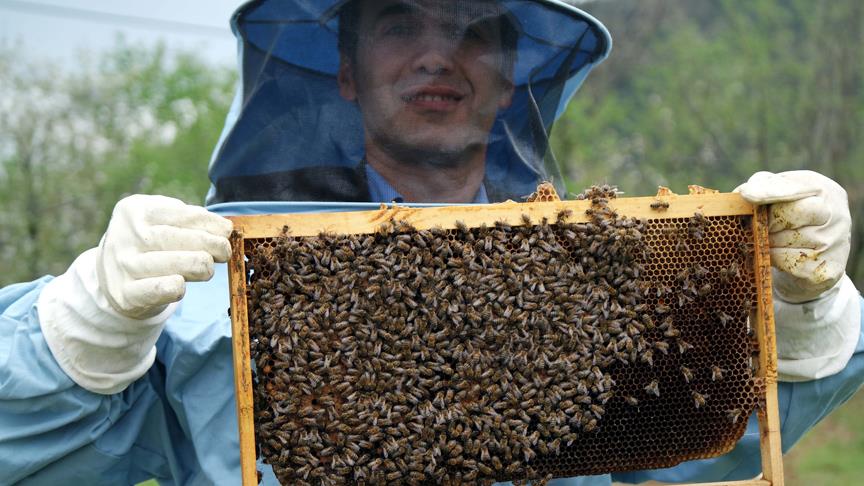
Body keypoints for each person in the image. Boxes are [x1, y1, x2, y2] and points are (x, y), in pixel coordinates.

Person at [0, 0, 860, 484]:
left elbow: (700, 448)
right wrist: (85, 331)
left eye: (472, 27)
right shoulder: (205, 279)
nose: (437, 54)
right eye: (400, 22)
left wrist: (799, 314)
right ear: (344, 70)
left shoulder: (605, 276)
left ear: (512, 71)